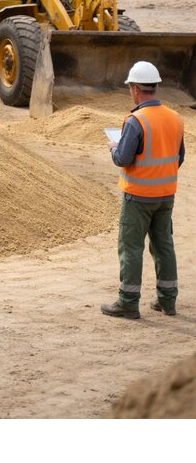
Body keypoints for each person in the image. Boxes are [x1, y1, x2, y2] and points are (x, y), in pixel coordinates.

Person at [100, 61, 185, 320]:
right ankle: (167, 301)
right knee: (164, 246)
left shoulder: (136, 121)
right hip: (166, 196)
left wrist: (114, 147)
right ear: (156, 86)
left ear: (135, 89)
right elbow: (178, 157)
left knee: (131, 248)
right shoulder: (176, 118)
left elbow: (123, 159)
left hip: (137, 198)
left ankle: (128, 302)